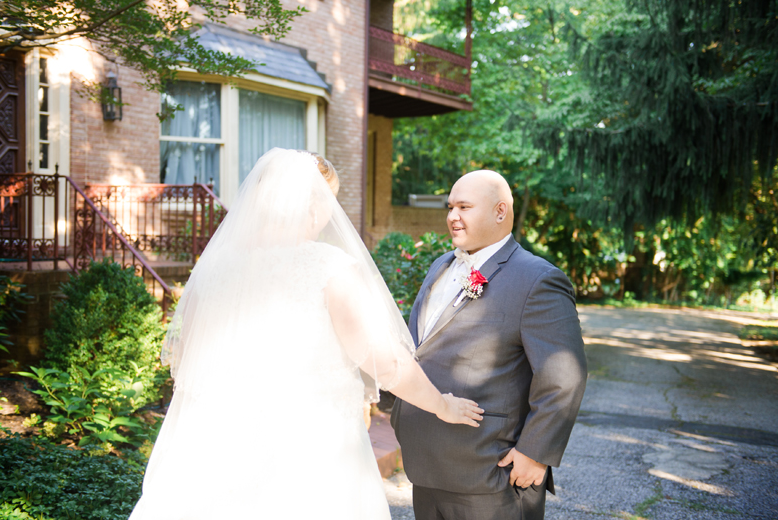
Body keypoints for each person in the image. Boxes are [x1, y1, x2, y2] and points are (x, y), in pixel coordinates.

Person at [129, 148, 483, 520]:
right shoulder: (328, 268)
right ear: (313, 206)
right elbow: (385, 361)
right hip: (308, 451)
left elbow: (186, 360)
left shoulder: (214, 269)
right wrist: (443, 405)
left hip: (216, 447)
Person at [391, 170, 587, 520]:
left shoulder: (538, 279)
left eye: (464, 207)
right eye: (450, 207)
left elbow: (563, 376)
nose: (452, 217)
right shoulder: (440, 265)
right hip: (424, 466)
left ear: (500, 211)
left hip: (490, 473)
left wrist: (535, 452)